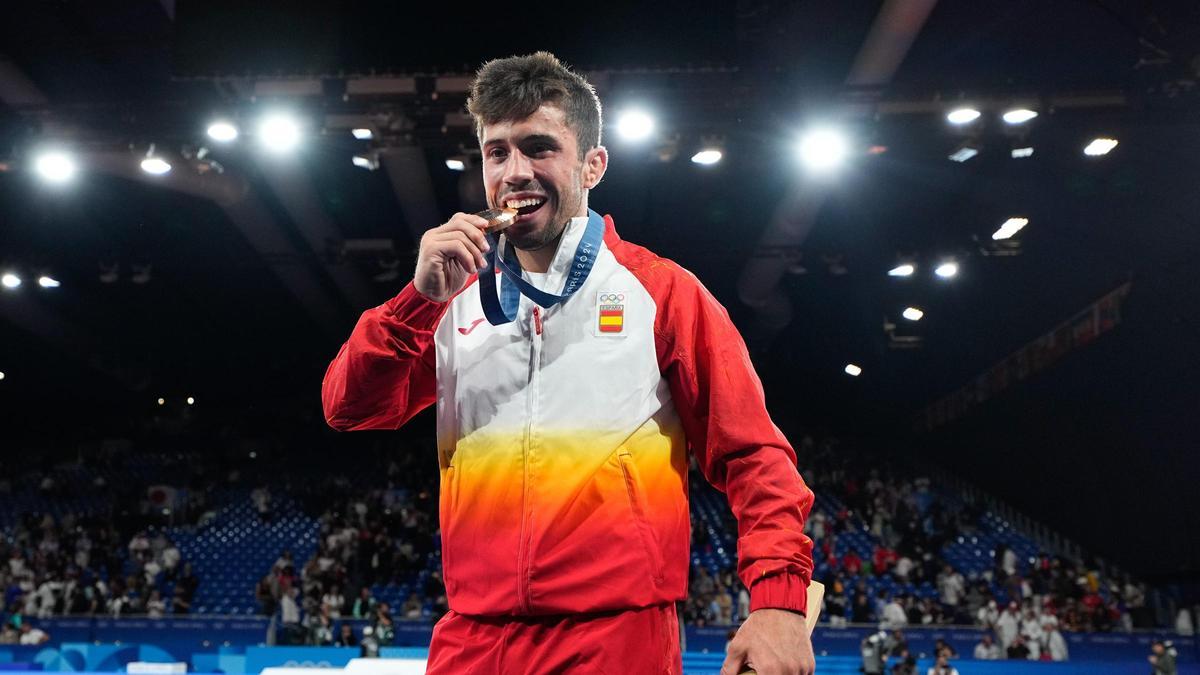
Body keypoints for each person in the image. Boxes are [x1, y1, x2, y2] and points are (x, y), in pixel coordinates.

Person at [321, 51, 816, 675]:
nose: (516, 171)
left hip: (615, 639)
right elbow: (348, 409)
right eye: (498, 152)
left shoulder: (661, 292)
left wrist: (779, 603)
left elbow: (753, 456)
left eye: (539, 148)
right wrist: (416, 302)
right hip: (471, 638)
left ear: (593, 165)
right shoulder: (449, 301)